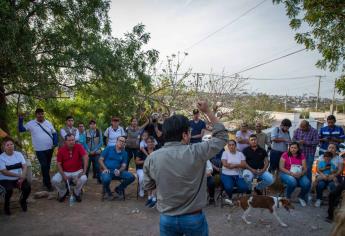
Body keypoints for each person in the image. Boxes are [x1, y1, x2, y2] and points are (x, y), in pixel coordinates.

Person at [143, 101, 228, 236]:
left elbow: (147, 185)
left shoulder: (152, 158)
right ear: (184, 135)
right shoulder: (197, 151)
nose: (190, 134)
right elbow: (222, 137)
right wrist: (208, 111)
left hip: (167, 218)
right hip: (193, 218)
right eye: (189, 131)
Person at [18, 108, 58, 191]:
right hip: (39, 149)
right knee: (44, 165)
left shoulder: (48, 122)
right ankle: (48, 185)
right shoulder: (31, 123)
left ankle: (44, 181)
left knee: (47, 166)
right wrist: (21, 119)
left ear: (43, 114)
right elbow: (21, 129)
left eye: (42, 113)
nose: (40, 115)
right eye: (38, 114)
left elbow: (54, 133)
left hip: (50, 148)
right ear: (36, 115)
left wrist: (55, 142)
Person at [52, 134, 88, 202]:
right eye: (69, 140)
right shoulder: (61, 150)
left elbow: (85, 157)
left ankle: (76, 192)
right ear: (65, 142)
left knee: (84, 178)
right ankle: (63, 192)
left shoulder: (79, 146)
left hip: (77, 171)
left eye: (73, 140)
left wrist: (84, 171)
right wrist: (63, 175)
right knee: (54, 180)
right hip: (65, 171)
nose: (72, 142)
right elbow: (59, 164)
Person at [0, 138, 31, 215]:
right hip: (5, 179)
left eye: (11, 144)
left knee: (27, 188)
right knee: (8, 190)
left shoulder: (19, 154)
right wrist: (18, 175)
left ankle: (22, 201)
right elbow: (4, 171)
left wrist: (23, 176)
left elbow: (24, 166)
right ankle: (6, 205)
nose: (10, 146)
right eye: (8, 145)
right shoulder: (1, 157)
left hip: (19, 178)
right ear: (4, 147)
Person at [279, 142, 310, 207]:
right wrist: (291, 173)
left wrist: (301, 174)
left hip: (299, 174)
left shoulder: (301, 155)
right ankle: (287, 197)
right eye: (291, 147)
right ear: (289, 148)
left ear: (298, 149)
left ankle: (301, 196)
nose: (293, 149)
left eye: (295, 148)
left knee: (307, 183)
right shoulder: (285, 155)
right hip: (286, 173)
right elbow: (281, 167)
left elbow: (305, 168)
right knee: (292, 182)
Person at [221, 140, 249, 204]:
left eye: (233, 145)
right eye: (229, 145)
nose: (231, 146)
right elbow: (225, 164)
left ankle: (235, 196)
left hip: (238, 174)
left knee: (244, 188)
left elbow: (244, 165)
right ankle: (229, 196)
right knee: (228, 187)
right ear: (227, 146)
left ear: (235, 146)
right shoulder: (225, 153)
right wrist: (238, 165)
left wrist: (234, 165)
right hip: (226, 174)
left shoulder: (240, 154)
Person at [136, 136, 157, 207]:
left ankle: (153, 198)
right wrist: (145, 161)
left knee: (155, 179)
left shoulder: (157, 150)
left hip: (154, 169)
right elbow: (137, 162)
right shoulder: (142, 150)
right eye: (148, 142)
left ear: (154, 143)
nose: (150, 143)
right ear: (146, 143)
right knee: (143, 177)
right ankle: (148, 196)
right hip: (142, 169)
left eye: (152, 142)